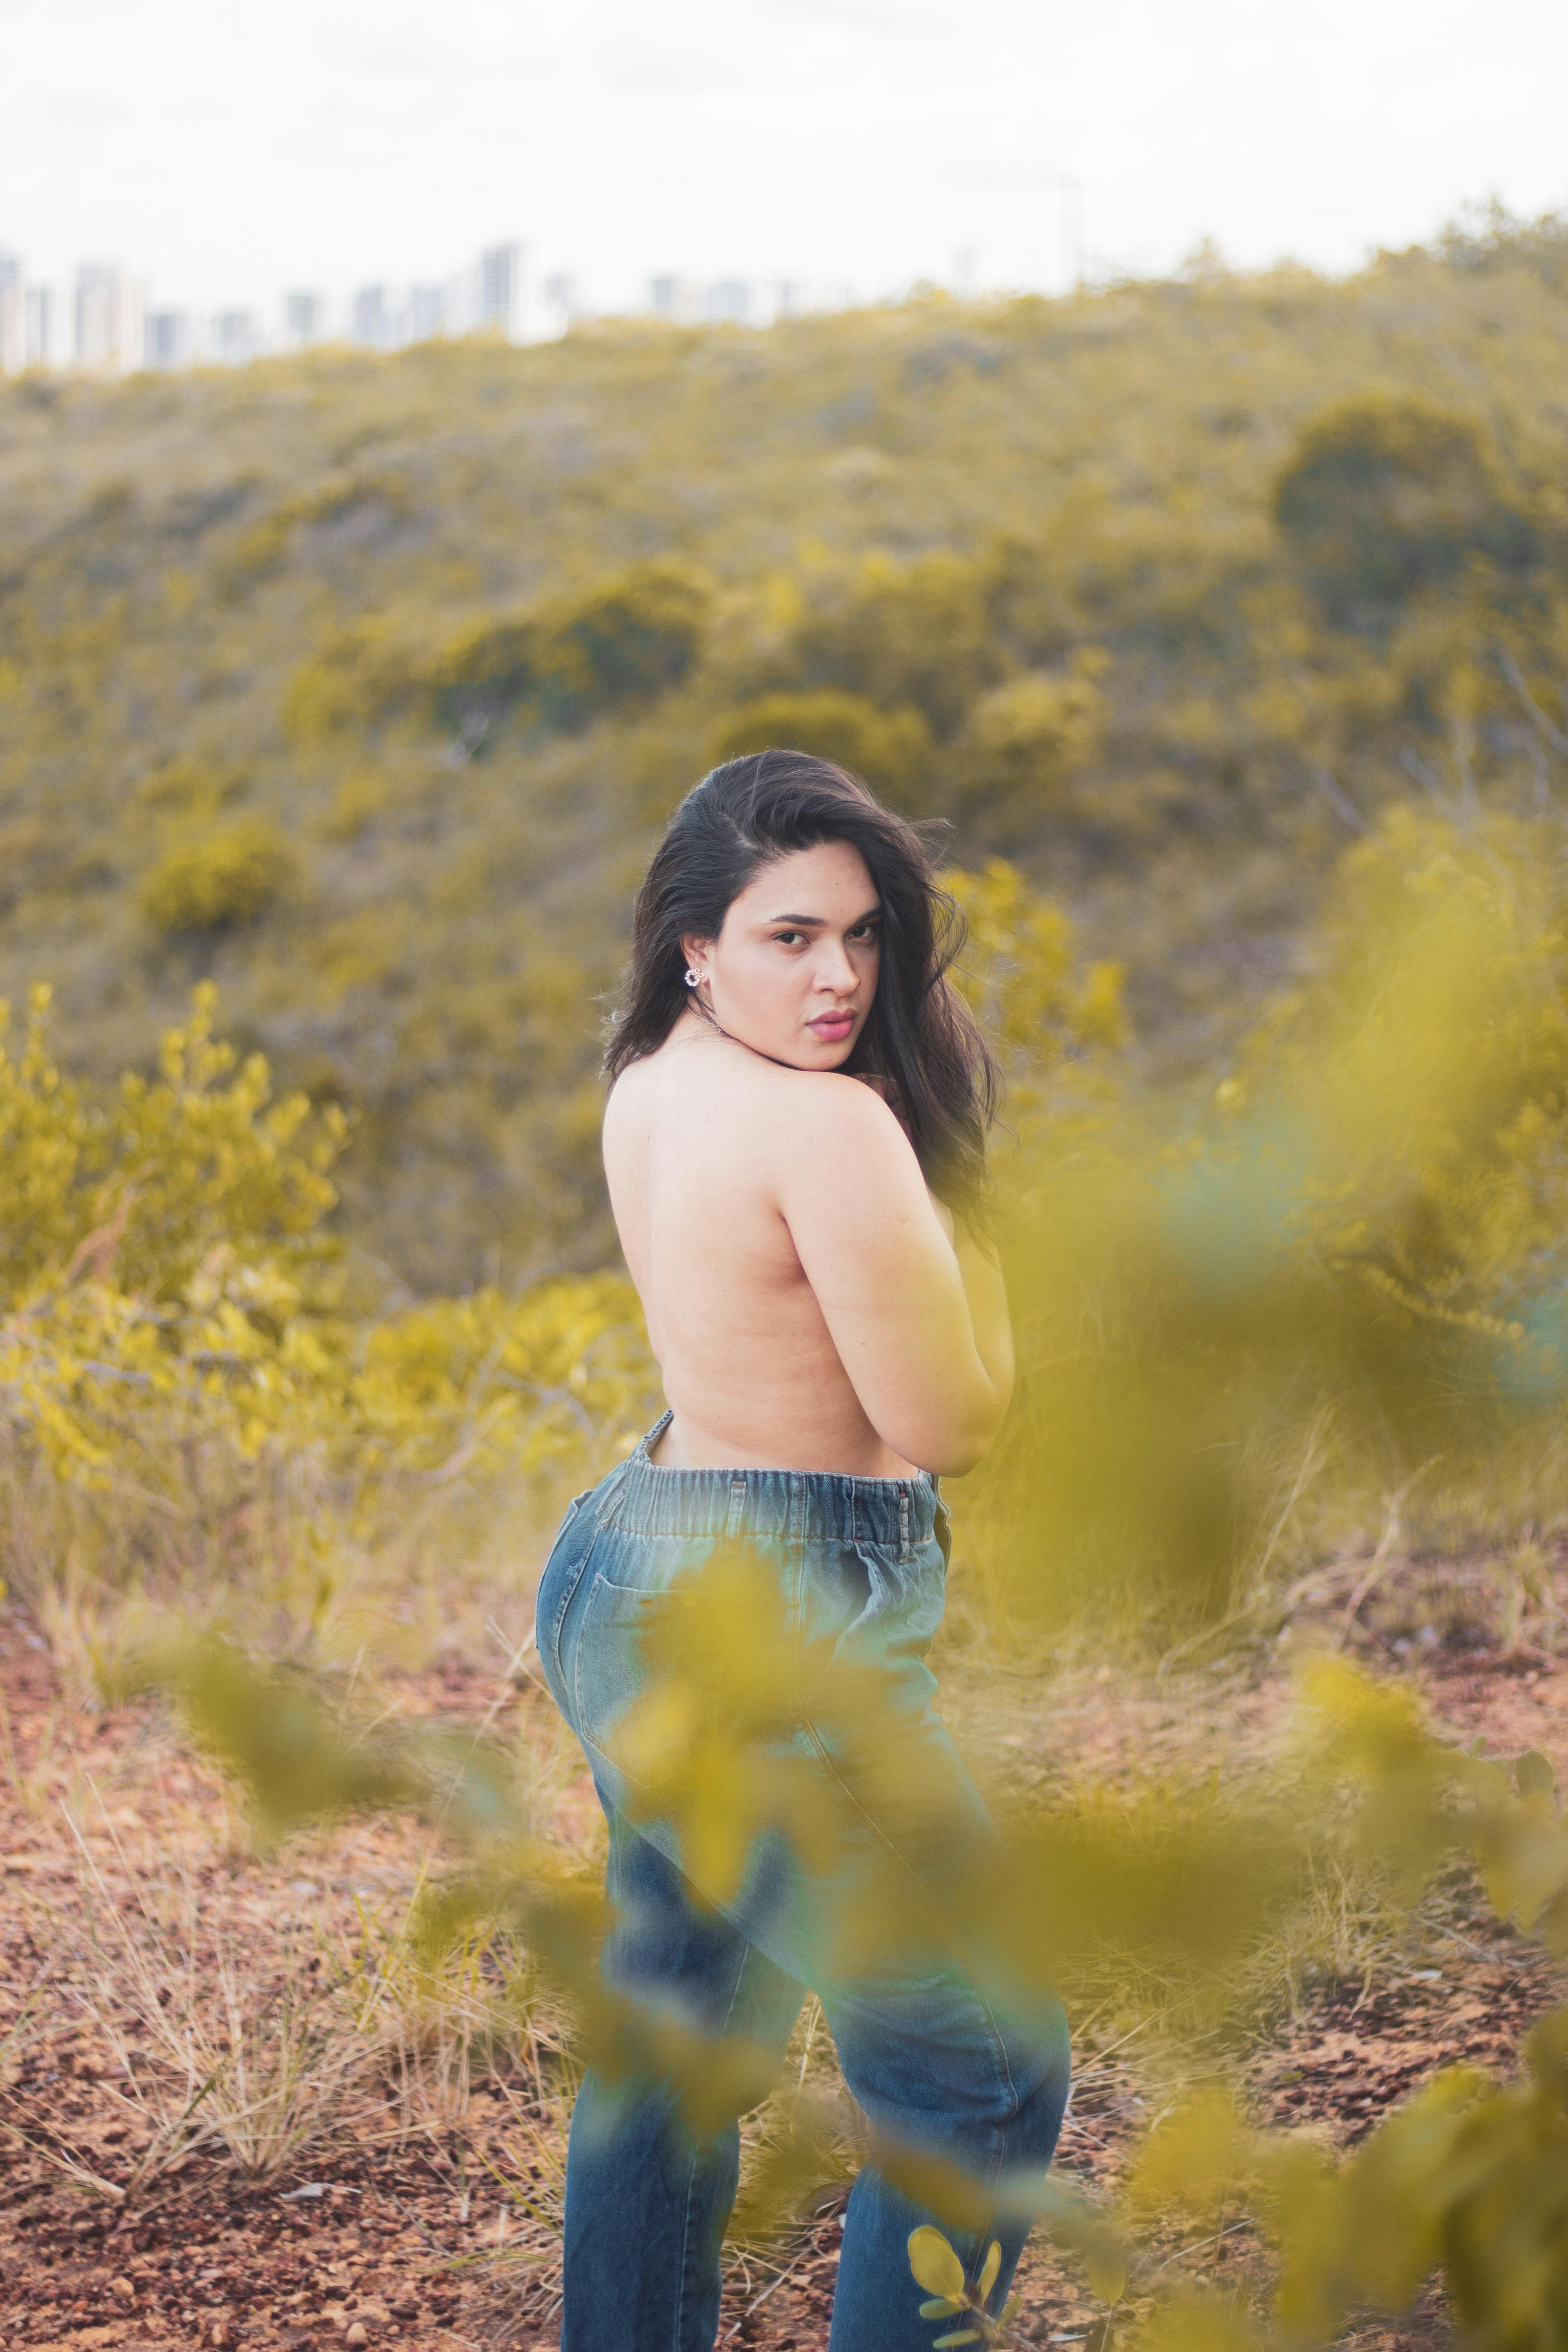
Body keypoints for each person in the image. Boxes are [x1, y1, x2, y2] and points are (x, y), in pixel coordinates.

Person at [536, 752, 1070, 2352]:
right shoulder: (834, 1129)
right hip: (785, 1619)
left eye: (861, 933)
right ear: (695, 943)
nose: (839, 975)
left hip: (633, 1567)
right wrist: (975, 1234)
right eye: (788, 938)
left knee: (677, 2043)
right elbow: (957, 1418)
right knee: (981, 2068)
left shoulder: (652, 1076)